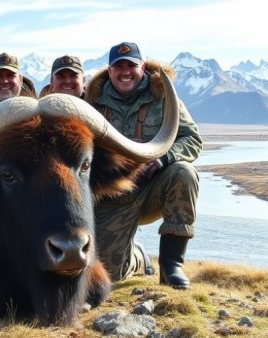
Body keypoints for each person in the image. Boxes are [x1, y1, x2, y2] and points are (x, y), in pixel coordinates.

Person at [84, 42, 203, 289]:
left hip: (153, 188)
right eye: (119, 67)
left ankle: (172, 266)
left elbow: (191, 138)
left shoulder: (164, 96)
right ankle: (138, 258)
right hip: (113, 195)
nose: (125, 71)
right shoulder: (92, 103)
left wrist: (164, 159)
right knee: (109, 273)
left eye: (131, 66)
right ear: (110, 71)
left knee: (184, 173)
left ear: (142, 67)